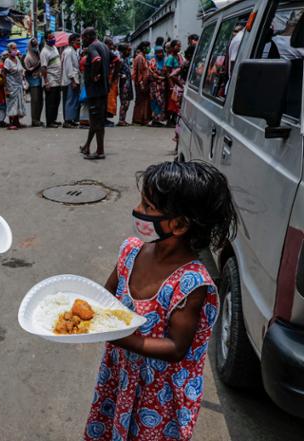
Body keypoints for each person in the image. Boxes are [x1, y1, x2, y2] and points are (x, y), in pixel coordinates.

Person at [83, 161, 236, 441]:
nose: (138, 211)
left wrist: (116, 337)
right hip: (122, 373)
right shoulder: (130, 251)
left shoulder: (190, 283)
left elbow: (176, 347)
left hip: (157, 393)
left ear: (178, 225)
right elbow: (103, 298)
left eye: (148, 206)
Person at [80, 27, 110, 160]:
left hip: (95, 91)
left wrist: (93, 76)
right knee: (95, 119)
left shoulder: (92, 47)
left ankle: (100, 151)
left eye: (83, 38)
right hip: (102, 89)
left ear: (88, 37)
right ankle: (87, 145)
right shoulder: (103, 46)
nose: (82, 40)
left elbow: (96, 60)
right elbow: (117, 61)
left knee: (97, 121)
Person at [41, 32, 62, 128]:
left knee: (56, 101)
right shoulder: (44, 52)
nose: (53, 39)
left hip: (57, 79)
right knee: (50, 102)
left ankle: (54, 119)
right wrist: (46, 82)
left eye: (53, 37)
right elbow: (43, 68)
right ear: (46, 40)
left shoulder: (54, 48)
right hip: (50, 80)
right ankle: (49, 122)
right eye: (50, 38)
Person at [3, 42, 26, 130]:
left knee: (18, 104)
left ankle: (17, 122)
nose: (15, 50)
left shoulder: (17, 58)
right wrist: (6, 89)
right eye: (13, 48)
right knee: (11, 103)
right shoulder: (7, 61)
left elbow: (20, 69)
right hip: (11, 85)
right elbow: (4, 74)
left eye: (16, 48)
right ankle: (11, 123)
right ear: (9, 50)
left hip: (18, 84)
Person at [61, 33, 81, 128]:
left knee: (74, 100)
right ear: (72, 41)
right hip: (70, 80)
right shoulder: (69, 52)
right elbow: (69, 67)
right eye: (78, 41)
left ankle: (71, 119)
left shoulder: (73, 51)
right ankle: (68, 120)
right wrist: (73, 80)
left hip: (74, 79)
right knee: (70, 100)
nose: (79, 42)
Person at [24, 38, 44, 127]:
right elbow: (27, 71)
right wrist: (37, 65)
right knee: (35, 101)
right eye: (34, 45)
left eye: (36, 45)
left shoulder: (38, 54)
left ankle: (38, 119)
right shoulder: (28, 57)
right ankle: (34, 120)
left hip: (39, 80)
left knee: (40, 101)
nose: (35, 47)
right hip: (33, 82)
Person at [132, 41, 152, 126]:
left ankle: (142, 118)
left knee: (144, 101)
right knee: (140, 101)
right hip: (141, 83)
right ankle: (138, 119)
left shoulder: (143, 57)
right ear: (144, 47)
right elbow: (139, 72)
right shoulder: (140, 57)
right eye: (148, 47)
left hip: (145, 83)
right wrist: (141, 83)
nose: (149, 48)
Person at [104, 37, 121, 127]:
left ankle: (105, 119)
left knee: (108, 100)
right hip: (108, 79)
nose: (111, 47)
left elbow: (118, 61)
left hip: (109, 79)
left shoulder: (108, 52)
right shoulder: (105, 52)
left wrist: (113, 77)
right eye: (109, 45)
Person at [149, 46, 167, 127]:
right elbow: (151, 73)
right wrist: (159, 77)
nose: (160, 54)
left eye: (161, 52)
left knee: (161, 102)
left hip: (162, 86)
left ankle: (158, 119)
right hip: (154, 85)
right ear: (155, 53)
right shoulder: (153, 61)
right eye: (158, 52)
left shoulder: (165, 61)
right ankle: (154, 120)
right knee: (155, 101)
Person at [117, 43, 134, 127]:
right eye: (128, 50)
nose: (129, 51)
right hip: (124, 84)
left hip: (128, 83)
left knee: (127, 102)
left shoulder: (126, 59)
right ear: (123, 51)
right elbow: (116, 72)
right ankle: (121, 120)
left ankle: (123, 119)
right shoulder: (120, 60)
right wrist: (121, 75)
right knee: (124, 103)